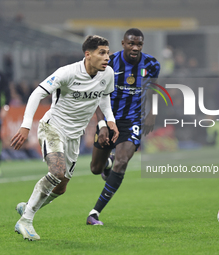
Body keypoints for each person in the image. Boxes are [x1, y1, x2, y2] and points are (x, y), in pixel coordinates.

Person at [11, 35, 119, 241]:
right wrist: (25, 126)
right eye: (102, 53)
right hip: (53, 128)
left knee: (60, 188)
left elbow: (104, 96)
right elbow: (37, 94)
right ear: (88, 54)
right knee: (57, 171)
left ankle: (28, 207)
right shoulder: (67, 73)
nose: (107, 57)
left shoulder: (108, 74)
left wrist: (108, 120)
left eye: (107, 52)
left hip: (74, 135)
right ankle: (26, 221)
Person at [86, 28, 160, 225]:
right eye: (131, 44)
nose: (135, 48)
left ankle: (94, 213)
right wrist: (102, 124)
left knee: (123, 161)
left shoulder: (152, 64)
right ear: (123, 43)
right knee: (95, 168)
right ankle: (107, 164)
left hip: (133, 120)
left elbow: (153, 87)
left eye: (139, 44)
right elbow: (97, 96)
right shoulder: (109, 63)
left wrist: (152, 112)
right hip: (110, 119)